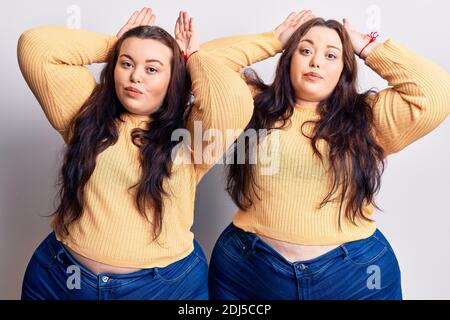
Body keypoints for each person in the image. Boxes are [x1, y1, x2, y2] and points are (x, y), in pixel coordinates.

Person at [206, 11, 450, 299]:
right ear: (288, 59)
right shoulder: (252, 104)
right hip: (249, 272)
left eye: (331, 55)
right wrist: (272, 40)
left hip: (354, 278)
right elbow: (202, 64)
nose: (316, 61)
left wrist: (366, 47)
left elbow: (435, 93)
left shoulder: (368, 117)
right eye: (305, 50)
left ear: (345, 69)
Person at [18, 8, 254, 300]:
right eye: (126, 64)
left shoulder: (191, 136)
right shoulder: (85, 113)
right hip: (61, 279)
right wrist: (116, 44)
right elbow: (36, 46)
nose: (135, 77)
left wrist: (193, 57)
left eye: (152, 69)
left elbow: (233, 100)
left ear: (174, 79)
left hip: (161, 288)